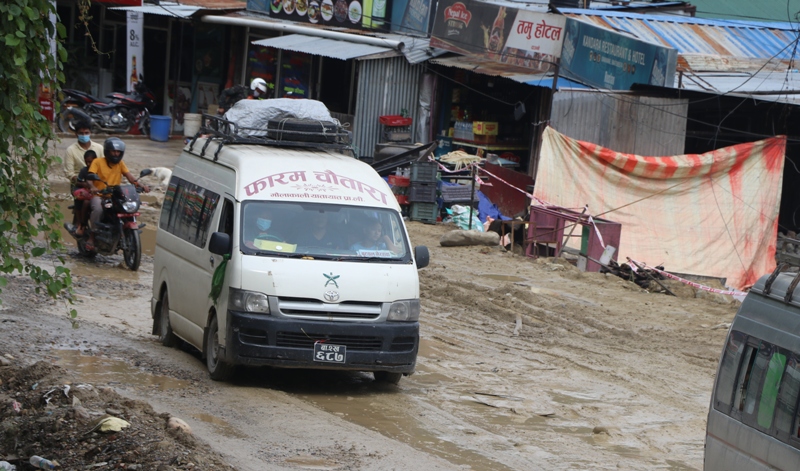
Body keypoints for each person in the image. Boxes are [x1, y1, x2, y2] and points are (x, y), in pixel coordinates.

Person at [85, 137, 150, 251]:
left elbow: (129, 177)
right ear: (107, 151)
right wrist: (93, 187)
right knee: (98, 209)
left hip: (115, 196)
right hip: (100, 195)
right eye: (113, 151)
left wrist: (140, 185)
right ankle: (92, 235)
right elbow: (90, 177)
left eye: (118, 152)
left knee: (127, 208)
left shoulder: (120, 163)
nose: (115, 154)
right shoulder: (98, 162)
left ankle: (123, 230)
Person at [71, 150, 97, 236]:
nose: (89, 164)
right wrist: (84, 184)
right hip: (84, 191)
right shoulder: (84, 170)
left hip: (96, 191)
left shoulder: (99, 169)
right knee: (82, 200)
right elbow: (77, 182)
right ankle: (81, 223)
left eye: (91, 162)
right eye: (87, 162)